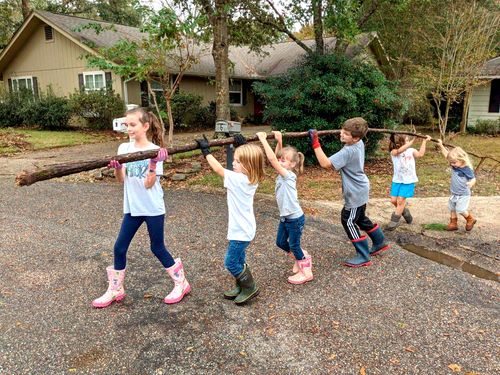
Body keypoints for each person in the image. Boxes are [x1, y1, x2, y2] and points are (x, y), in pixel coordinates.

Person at [92, 107, 190, 308]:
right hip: (132, 207)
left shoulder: (155, 151)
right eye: (126, 125)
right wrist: (118, 168)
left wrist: (154, 163)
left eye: (133, 124)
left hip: (152, 207)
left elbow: (148, 184)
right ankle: (116, 289)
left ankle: (181, 283)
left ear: (145, 126)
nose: (129, 128)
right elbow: (121, 181)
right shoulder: (123, 149)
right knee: (119, 248)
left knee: (157, 247)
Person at [308, 118, 389, 267]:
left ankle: (363, 255)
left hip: (355, 191)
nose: (341, 134)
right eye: (342, 131)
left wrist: (315, 143)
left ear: (356, 137)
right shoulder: (359, 143)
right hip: (361, 187)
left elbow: (325, 164)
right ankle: (379, 241)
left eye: (346, 134)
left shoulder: (348, 150)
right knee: (360, 218)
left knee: (348, 220)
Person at [195, 134, 265, 305]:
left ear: (248, 165)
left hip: (241, 231)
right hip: (244, 228)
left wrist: (206, 151)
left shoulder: (240, 180)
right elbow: (250, 158)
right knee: (239, 259)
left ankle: (250, 287)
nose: (233, 163)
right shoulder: (250, 178)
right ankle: (241, 285)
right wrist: (244, 146)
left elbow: (218, 169)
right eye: (234, 160)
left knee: (231, 262)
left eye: (238, 161)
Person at [256, 131, 312, 284]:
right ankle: (301, 255)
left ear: (293, 164)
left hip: (294, 218)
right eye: (280, 160)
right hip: (286, 217)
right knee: (280, 242)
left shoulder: (289, 175)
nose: (280, 162)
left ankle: (306, 271)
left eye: (284, 161)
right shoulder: (282, 174)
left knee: (294, 245)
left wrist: (263, 140)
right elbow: (276, 158)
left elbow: (273, 160)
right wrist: (279, 140)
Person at [386, 134, 432, 230]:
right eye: (406, 140)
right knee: (393, 200)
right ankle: (404, 211)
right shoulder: (394, 152)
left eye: (408, 140)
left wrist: (424, 141)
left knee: (400, 200)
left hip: (409, 180)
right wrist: (413, 140)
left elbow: (420, 154)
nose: (408, 142)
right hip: (397, 180)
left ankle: (394, 220)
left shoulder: (411, 151)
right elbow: (400, 151)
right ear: (400, 142)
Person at [437, 140, 477, 231]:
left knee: (461, 209)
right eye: (451, 162)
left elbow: (473, 179)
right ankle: (453, 223)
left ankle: (470, 219)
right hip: (454, 193)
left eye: (454, 162)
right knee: (452, 208)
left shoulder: (466, 169)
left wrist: (471, 183)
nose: (452, 164)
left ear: (462, 160)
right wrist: (441, 146)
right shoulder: (455, 165)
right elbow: (447, 155)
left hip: (463, 194)